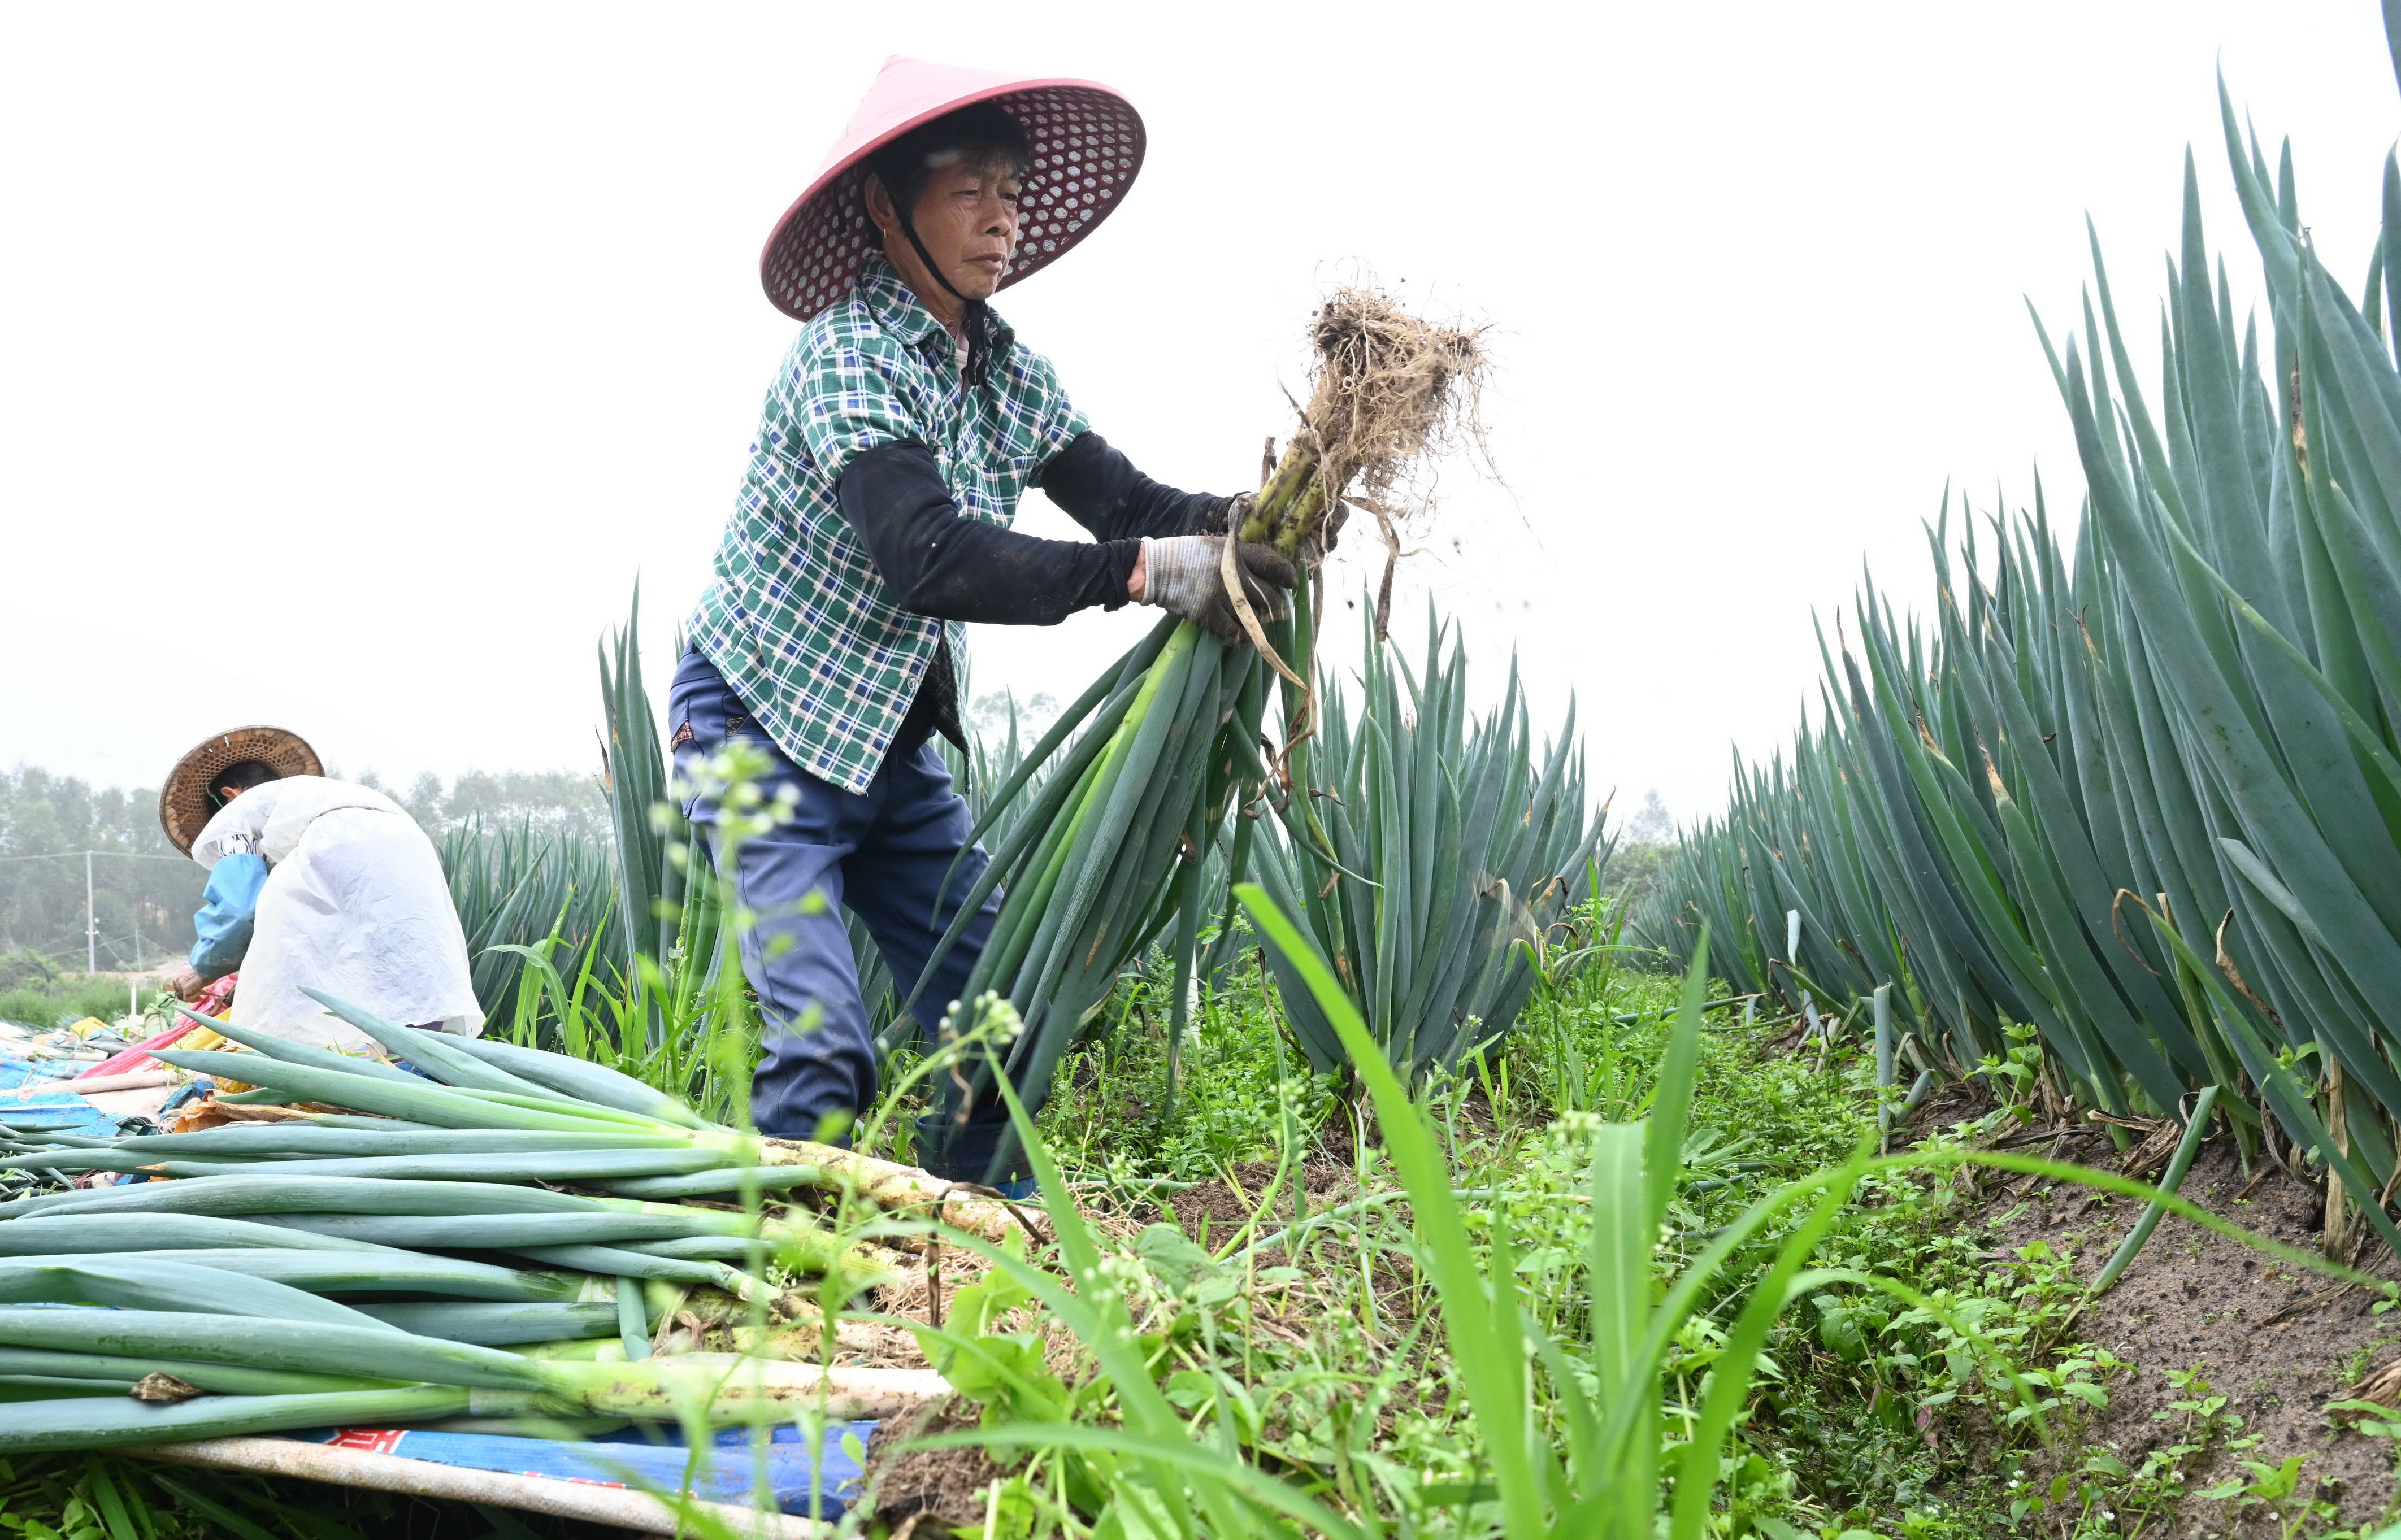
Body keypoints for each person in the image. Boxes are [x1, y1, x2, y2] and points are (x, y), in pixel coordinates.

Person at [675, 58, 1296, 1187]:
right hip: (757, 730)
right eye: (970, 192)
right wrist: (1149, 573)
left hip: (890, 744)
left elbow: (1123, 503)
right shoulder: (846, 355)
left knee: (996, 1024)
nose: (1001, 218)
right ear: (886, 206)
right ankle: (775, 1279)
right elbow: (928, 557)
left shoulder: (1004, 369)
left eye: (1011, 193)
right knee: (821, 1046)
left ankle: (968, 1239)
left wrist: (1258, 519)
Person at [159, 727, 482, 1053]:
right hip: (411, 847)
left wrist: (201, 970)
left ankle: (333, 1073)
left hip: (338, 848)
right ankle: (419, 1062)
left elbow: (241, 910)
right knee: (404, 957)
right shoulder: (325, 798)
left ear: (230, 795)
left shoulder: (240, 815)